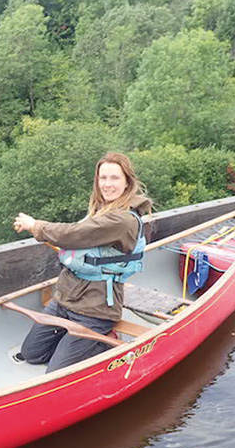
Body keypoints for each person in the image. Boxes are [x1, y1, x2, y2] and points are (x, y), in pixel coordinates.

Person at [12, 152, 152, 372]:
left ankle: (102, 342)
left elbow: (75, 234)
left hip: (95, 309)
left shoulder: (122, 220)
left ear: (127, 182)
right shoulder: (101, 209)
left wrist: (36, 226)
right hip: (65, 299)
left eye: (115, 178)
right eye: (103, 178)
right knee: (32, 354)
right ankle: (73, 343)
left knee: (55, 374)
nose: (108, 184)